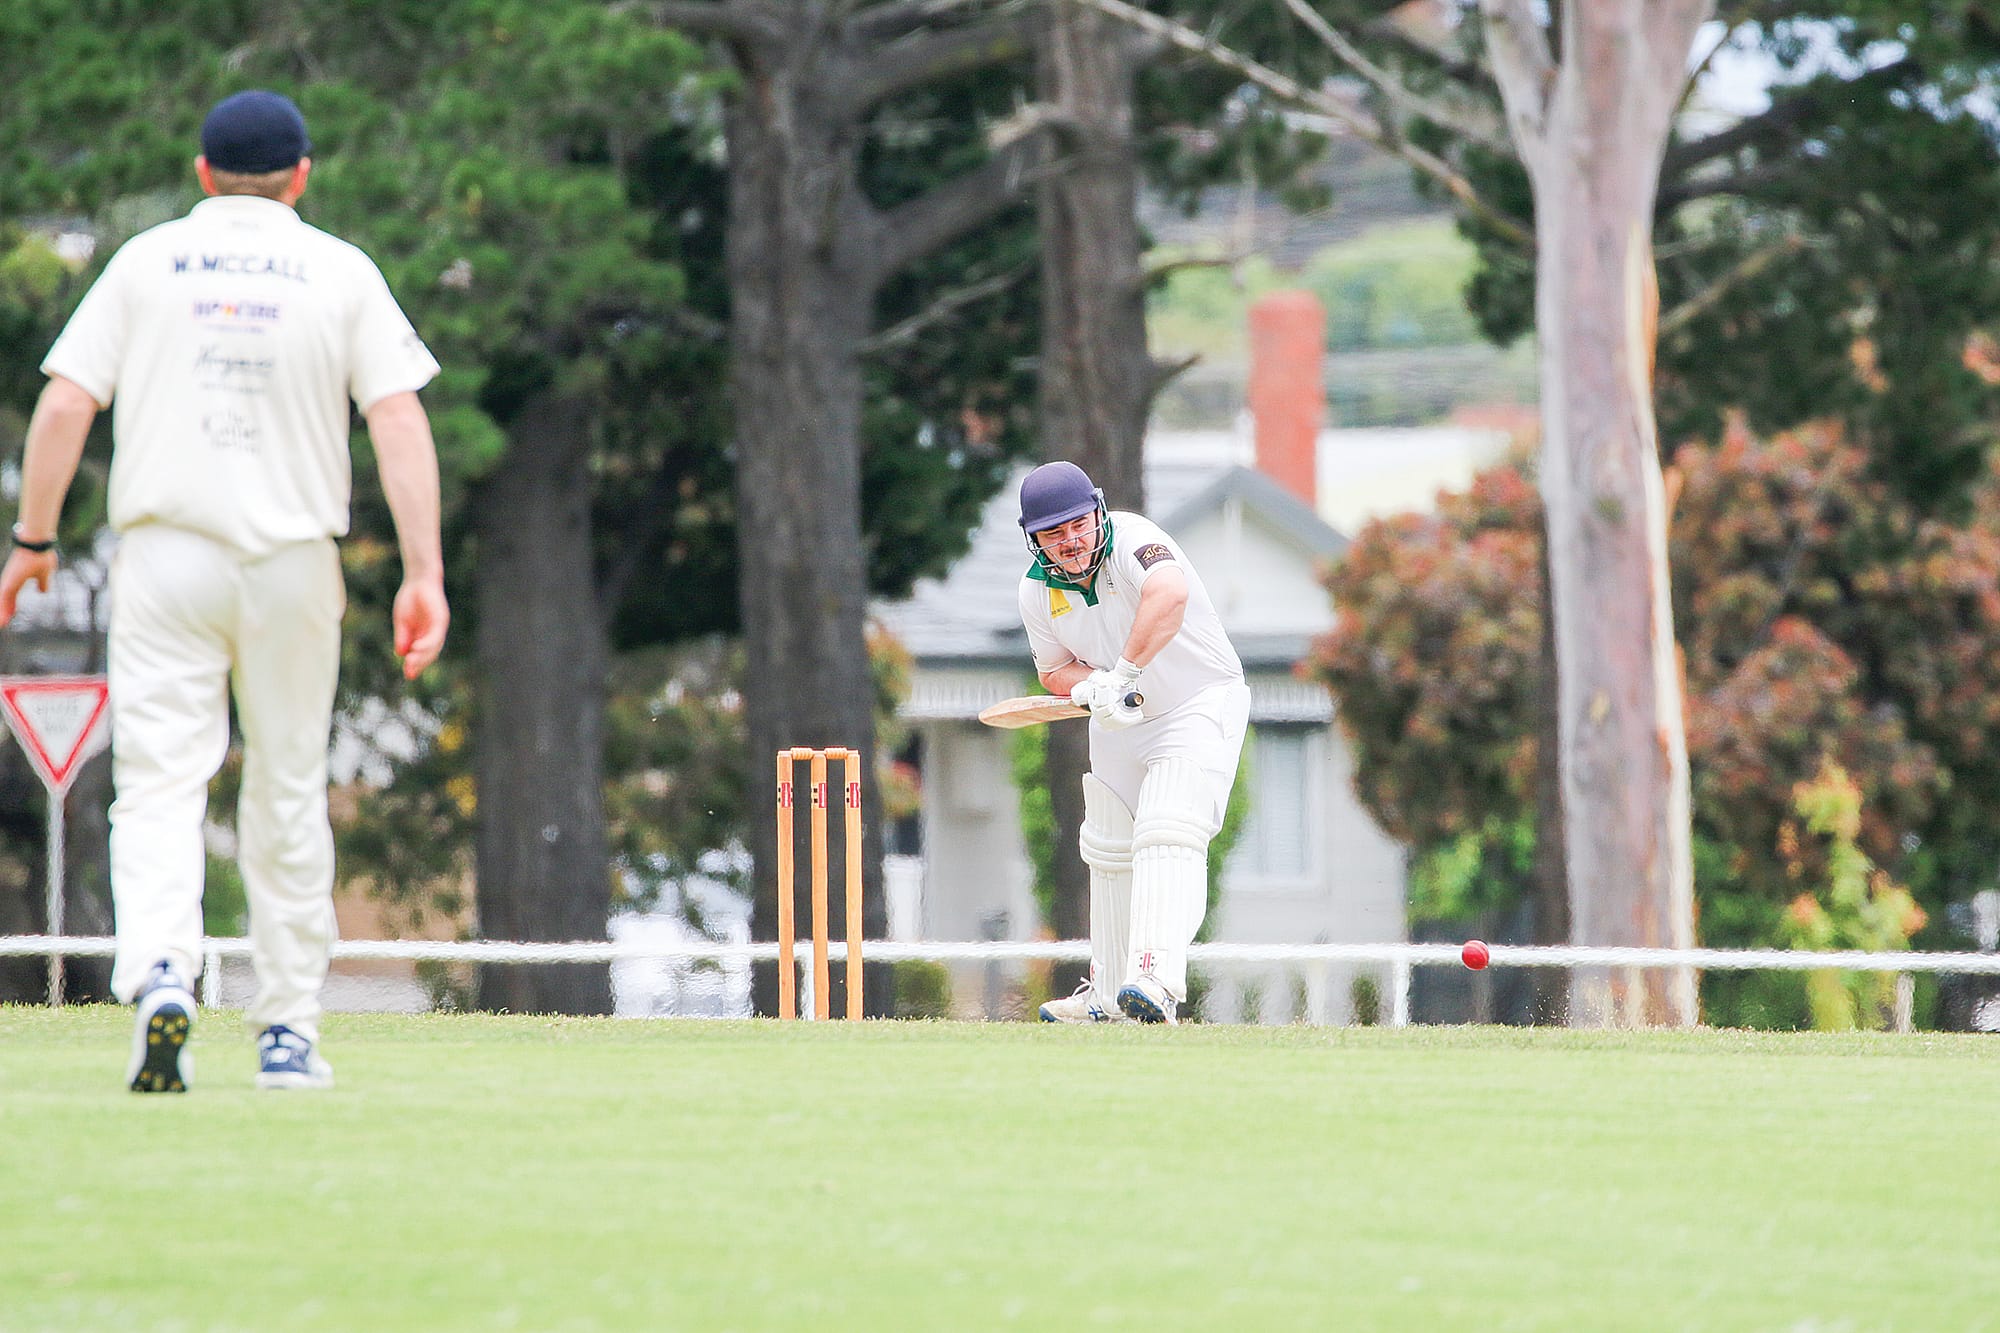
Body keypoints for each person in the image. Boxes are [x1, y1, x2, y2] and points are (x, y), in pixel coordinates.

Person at [0, 90, 448, 1091]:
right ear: (301, 176)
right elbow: (399, 420)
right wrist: (422, 572)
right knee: (287, 788)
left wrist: (34, 538)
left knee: (159, 781)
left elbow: (68, 399)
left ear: (202, 173)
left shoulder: (148, 260)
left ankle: (164, 968)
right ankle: (286, 1029)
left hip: (166, 555)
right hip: (292, 561)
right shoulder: (339, 269)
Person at [1014, 461, 1249, 1024]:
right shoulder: (1036, 592)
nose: (1071, 541)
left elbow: (1169, 596)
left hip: (1197, 702)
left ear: (1096, 512)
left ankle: (1156, 980)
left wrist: (1120, 673)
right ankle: (1107, 995)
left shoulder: (1136, 540)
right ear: (1034, 539)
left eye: (1078, 525)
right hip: (1122, 718)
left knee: (1167, 828)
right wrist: (1091, 686)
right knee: (1108, 844)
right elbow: (1054, 672)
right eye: (1054, 532)